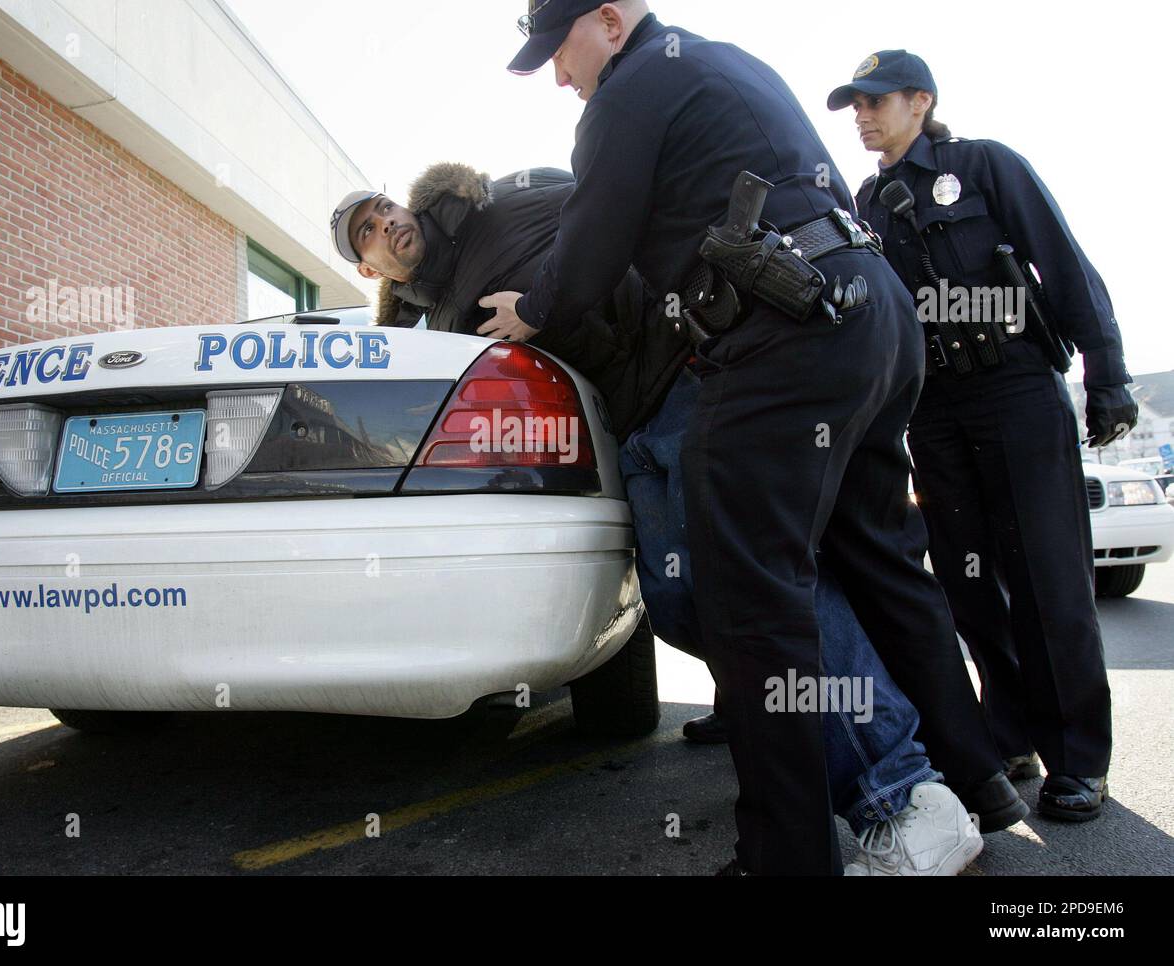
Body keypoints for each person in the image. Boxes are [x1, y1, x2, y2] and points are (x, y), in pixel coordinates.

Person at [333, 156, 997, 874]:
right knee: (681, 605)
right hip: (630, 432)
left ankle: (901, 793)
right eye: (367, 231)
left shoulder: (502, 201)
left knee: (763, 596)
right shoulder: (431, 327)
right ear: (369, 269)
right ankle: (795, 747)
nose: (388, 224)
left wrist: (556, 304)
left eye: (383, 207)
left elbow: (621, 209)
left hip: (688, 386)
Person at [487, 1, 1026, 875]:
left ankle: (787, 856)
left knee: (749, 599)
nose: (560, 74)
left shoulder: (629, 91)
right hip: (868, 310)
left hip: (783, 336)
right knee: (883, 558)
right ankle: (979, 777)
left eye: (562, 50)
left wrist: (535, 308)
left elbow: (588, 250)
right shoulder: (730, 62)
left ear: (612, 21)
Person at [829, 50, 1136, 821]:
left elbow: (1064, 263)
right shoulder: (863, 206)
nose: (861, 115)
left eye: (875, 101)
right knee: (968, 585)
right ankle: (1011, 732)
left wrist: (1109, 375)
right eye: (853, 105)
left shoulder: (984, 165)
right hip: (932, 411)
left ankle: (1077, 758)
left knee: (1046, 576)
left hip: (1017, 390)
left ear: (921, 101)